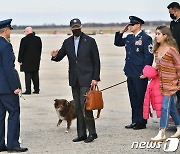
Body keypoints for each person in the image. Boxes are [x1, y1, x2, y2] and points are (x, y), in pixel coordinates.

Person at [51, 18, 100, 143]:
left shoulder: (90, 41)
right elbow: (60, 56)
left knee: (85, 107)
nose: (76, 29)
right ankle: (81, 134)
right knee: (78, 108)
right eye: (73, 27)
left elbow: (96, 61)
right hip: (74, 79)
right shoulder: (67, 42)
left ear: (81, 27)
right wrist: (54, 56)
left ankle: (92, 133)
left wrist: (95, 78)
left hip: (87, 79)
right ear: (71, 28)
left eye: (77, 26)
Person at [114, 16, 154, 130]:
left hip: (140, 74)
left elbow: (149, 56)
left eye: (132, 25)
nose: (130, 26)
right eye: (129, 25)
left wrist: (145, 72)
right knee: (133, 98)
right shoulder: (129, 37)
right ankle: (135, 120)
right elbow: (117, 42)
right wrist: (122, 32)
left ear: (138, 25)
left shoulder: (146, 38)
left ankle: (142, 122)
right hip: (130, 72)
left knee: (140, 98)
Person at [0, 19, 28, 152]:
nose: (10, 32)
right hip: (6, 88)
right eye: (9, 29)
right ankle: (12, 144)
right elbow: (8, 68)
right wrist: (15, 86)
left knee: (0, 116)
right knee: (13, 113)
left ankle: (0, 144)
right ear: (5, 30)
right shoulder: (5, 45)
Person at [151, 26, 180, 142]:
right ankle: (179, 127)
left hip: (172, 83)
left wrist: (178, 82)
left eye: (159, 34)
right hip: (163, 83)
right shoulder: (157, 50)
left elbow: (178, 66)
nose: (156, 36)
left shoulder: (172, 50)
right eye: (156, 33)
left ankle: (162, 132)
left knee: (164, 107)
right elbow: (158, 67)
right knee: (171, 108)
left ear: (165, 36)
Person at [18, 27, 42, 94]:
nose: (24, 33)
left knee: (28, 75)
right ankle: (36, 90)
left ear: (27, 31)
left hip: (26, 61)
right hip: (36, 60)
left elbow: (21, 50)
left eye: (25, 31)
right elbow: (40, 49)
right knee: (35, 75)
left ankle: (28, 90)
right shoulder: (38, 39)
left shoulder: (24, 39)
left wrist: (19, 59)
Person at [167, 2, 180, 113]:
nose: (170, 14)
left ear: (176, 10)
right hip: (174, 57)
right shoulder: (173, 23)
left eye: (171, 12)